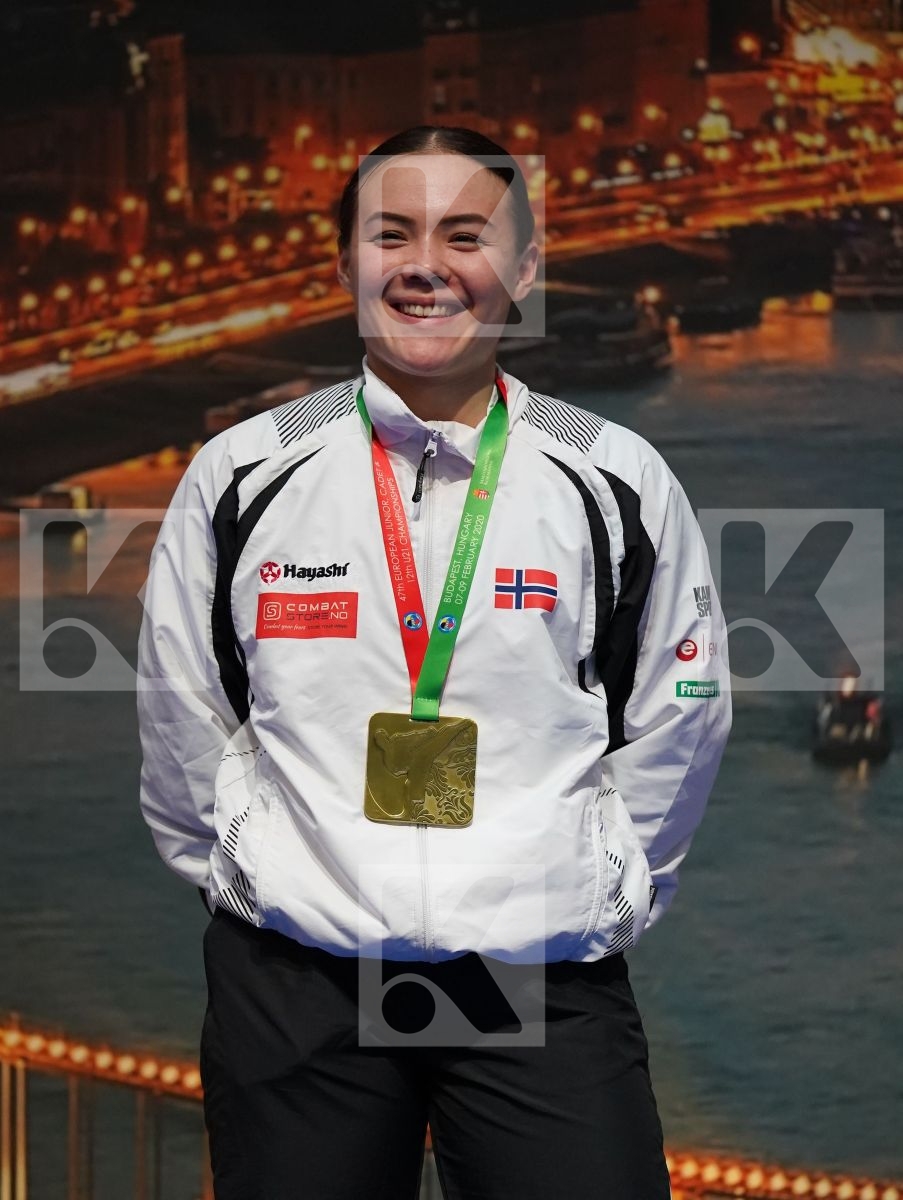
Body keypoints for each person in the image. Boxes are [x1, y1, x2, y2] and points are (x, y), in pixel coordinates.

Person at [136, 125, 732, 1200]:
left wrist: (598, 888)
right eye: (391, 233)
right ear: (346, 264)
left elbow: (679, 716)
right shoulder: (244, 473)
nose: (425, 264)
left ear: (527, 268)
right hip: (299, 976)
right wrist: (250, 870)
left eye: (466, 235)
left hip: (535, 971)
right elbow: (184, 710)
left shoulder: (616, 478)